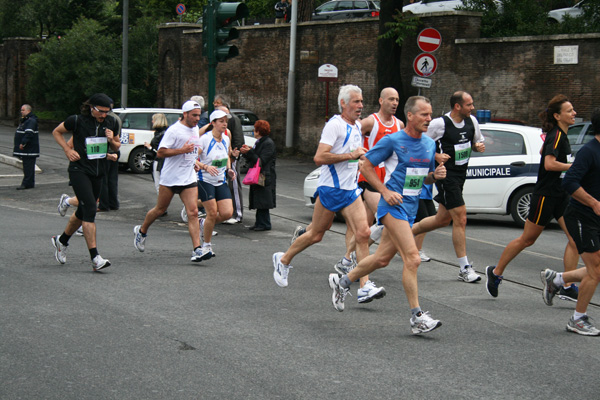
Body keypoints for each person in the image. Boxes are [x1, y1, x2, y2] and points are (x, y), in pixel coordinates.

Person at [328, 96, 447, 334]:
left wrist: (435, 176)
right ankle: (417, 317)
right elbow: (365, 166)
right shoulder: (393, 140)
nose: (429, 119)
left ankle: (342, 282)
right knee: (412, 258)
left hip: (410, 207)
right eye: (424, 114)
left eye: (430, 114)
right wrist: (384, 191)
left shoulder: (429, 144)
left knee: (381, 259)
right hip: (391, 207)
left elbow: (423, 176)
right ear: (410, 116)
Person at [272, 84, 371, 292]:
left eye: (361, 101)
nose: (360, 105)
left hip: (351, 189)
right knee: (316, 234)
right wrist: (349, 156)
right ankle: (283, 259)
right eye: (356, 101)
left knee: (363, 233)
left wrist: (359, 161)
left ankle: (364, 286)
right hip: (331, 188)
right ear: (343, 103)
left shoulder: (356, 126)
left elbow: (350, 155)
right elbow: (319, 157)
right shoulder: (334, 125)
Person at [486, 94, 579, 299]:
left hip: (560, 195)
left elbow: (544, 152)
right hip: (545, 196)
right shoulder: (556, 136)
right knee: (528, 240)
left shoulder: (560, 136)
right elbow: (549, 164)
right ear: (557, 115)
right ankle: (496, 272)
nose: (574, 113)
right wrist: (574, 167)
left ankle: (566, 284)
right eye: (569, 110)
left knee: (574, 239)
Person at [331, 87, 404, 303]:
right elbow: (352, 133)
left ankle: (347, 260)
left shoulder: (399, 125)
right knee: (383, 219)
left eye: (397, 100)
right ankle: (355, 268)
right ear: (381, 101)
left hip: (386, 178)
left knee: (363, 227)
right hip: (368, 176)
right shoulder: (371, 122)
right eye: (391, 99)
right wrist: (356, 157)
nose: (394, 103)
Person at [411, 91, 485, 283]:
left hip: (461, 175)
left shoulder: (472, 122)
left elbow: (475, 142)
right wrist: (435, 156)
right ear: (457, 106)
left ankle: (404, 233)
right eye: (469, 104)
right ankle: (464, 268)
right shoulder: (440, 124)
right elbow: (420, 141)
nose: (472, 107)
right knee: (460, 217)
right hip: (446, 175)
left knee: (442, 219)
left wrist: (477, 147)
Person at [541, 107, 600, 336]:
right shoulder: (589, 151)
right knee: (595, 271)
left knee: (598, 268)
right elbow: (569, 183)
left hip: (595, 217)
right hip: (583, 216)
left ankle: (557, 279)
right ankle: (577, 319)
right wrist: (593, 203)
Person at [51, 93, 120, 271]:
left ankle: (62, 241)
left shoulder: (111, 123)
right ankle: (95, 257)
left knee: (83, 210)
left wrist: (112, 140)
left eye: (107, 112)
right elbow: (56, 132)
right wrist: (67, 150)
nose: (104, 115)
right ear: (92, 108)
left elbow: (117, 145)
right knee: (90, 208)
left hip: (99, 171)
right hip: (79, 169)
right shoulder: (76, 120)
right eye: (101, 111)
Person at [133, 100, 204, 262]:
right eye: (194, 115)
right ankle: (142, 231)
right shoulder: (174, 131)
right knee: (160, 209)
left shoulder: (195, 129)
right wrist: (181, 150)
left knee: (193, 212)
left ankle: (197, 249)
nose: (196, 119)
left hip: (188, 177)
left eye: (199, 115)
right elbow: (161, 152)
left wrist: (194, 162)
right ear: (184, 114)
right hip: (171, 177)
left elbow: (195, 148)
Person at [194, 109, 237, 259]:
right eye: (221, 121)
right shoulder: (204, 139)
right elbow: (192, 158)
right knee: (212, 212)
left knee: (227, 213)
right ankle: (206, 246)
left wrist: (229, 170)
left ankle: (204, 223)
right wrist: (206, 166)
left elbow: (226, 157)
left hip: (220, 180)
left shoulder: (225, 139)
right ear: (213, 123)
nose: (225, 124)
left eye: (226, 121)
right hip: (205, 180)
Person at [240, 120, 276, 231]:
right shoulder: (261, 142)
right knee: (259, 198)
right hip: (261, 174)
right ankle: (259, 222)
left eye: (255, 129)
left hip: (265, 175)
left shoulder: (268, 143)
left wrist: (249, 152)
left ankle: (264, 223)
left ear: (258, 131)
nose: (253, 132)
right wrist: (247, 153)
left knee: (263, 199)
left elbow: (261, 160)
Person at [213, 95, 244, 224]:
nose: (215, 106)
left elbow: (236, 139)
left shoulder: (233, 121)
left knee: (234, 185)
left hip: (230, 157)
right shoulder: (215, 125)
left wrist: (233, 155)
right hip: (220, 158)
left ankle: (237, 213)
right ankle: (225, 211)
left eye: (218, 104)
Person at [98, 107, 121, 211]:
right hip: (114, 152)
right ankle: (113, 203)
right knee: (112, 180)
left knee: (103, 180)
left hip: (107, 152)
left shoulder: (109, 120)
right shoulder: (116, 118)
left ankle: (104, 204)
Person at [13, 104, 39, 190]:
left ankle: (26, 183)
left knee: (28, 166)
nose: (21, 112)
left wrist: (23, 143)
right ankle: (29, 183)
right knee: (27, 166)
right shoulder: (26, 120)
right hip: (28, 149)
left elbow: (29, 133)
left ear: (28, 111)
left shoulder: (31, 121)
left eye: (23, 110)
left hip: (29, 149)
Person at [144, 113, 169, 195]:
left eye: (153, 120)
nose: (152, 121)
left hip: (159, 161)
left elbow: (160, 151)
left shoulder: (160, 134)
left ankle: (161, 206)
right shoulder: (164, 132)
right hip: (163, 161)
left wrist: (150, 147)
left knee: (159, 185)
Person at [415, 183, 435, 262]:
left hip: (427, 193)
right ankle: (417, 251)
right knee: (424, 221)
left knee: (432, 218)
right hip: (416, 192)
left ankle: (402, 245)